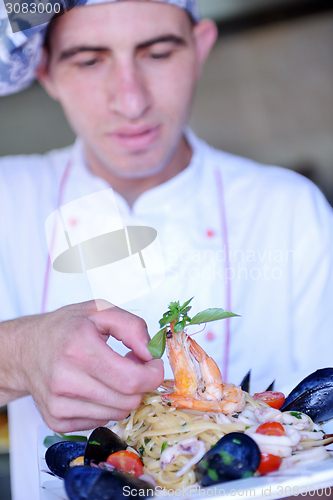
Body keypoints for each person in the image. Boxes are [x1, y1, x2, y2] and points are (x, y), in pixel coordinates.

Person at [0, 0, 332, 498]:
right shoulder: (8, 196)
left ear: (199, 49)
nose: (131, 100)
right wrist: (18, 353)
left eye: (157, 53)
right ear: (46, 71)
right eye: (89, 61)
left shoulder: (287, 206)